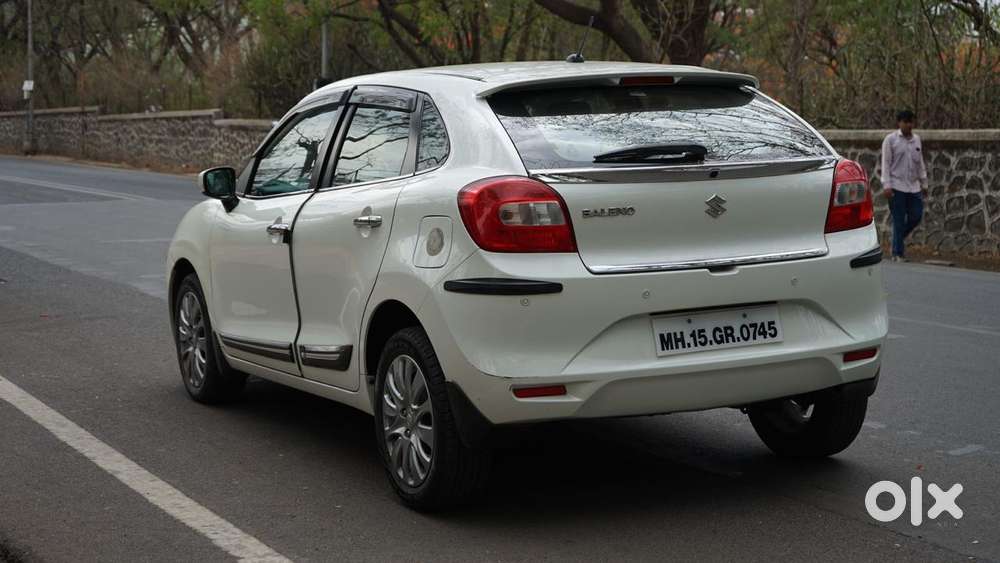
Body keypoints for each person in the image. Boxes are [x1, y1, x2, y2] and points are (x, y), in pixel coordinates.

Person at [881, 110, 928, 262]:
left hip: (914, 187)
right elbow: (886, 163)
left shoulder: (916, 140)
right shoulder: (890, 140)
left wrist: (924, 182)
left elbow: (919, 163)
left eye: (911, 122)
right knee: (899, 220)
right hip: (896, 186)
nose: (909, 125)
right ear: (899, 123)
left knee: (916, 216)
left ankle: (897, 238)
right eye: (906, 121)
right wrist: (886, 185)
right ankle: (897, 253)